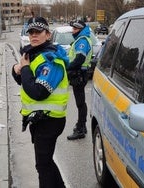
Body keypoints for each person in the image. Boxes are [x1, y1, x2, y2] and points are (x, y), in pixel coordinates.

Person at [12, 16, 69, 188]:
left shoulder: (52, 60)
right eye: (31, 32)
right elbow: (24, 81)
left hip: (50, 120)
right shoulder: (33, 54)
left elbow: (38, 92)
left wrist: (25, 68)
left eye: (38, 32)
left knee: (42, 165)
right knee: (46, 163)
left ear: (48, 34)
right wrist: (16, 69)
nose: (34, 35)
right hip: (40, 119)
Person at [67, 20, 93, 140]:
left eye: (75, 29)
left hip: (79, 74)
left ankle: (81, 129)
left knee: (80, 103)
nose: (73, 31)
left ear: (81, 30)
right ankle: (82, 126)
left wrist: (67, 67)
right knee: (81, 103)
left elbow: (79, 59)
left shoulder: (82, 40)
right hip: (80, 74)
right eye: (73, 28)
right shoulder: (82, 39)